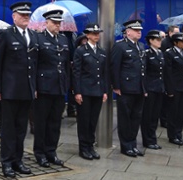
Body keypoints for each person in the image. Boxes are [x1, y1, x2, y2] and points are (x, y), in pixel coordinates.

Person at [0, 1, 38, 178]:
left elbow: (34, 64)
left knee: (21, 128)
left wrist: (34, 87)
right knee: (9, 129)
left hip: (26, 90)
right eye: (22, 15)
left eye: (28, 15)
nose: (26, 17)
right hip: (9, 90)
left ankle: (18, 160)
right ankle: (7, 162)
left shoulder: (32, 35)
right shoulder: (5, 35)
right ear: (14, 16)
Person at [33, 9, 71, 167]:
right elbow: (34, 64)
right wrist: (34, 86)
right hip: (44, 87)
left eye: (59, 23)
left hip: (59, 87)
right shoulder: (39, 38)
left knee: (55, 123)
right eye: (54, 22)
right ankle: (40, 153)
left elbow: (66, 64)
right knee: (41, 123)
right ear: (46, 23)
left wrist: (67, 84)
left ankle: (51, 152)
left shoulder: (63, 39)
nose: (57, 25)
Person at [111, 20, 146, 158]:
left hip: (139, 87)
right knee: (125, 118)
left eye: (140, 30)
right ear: (128, 31)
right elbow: (114, 67)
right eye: (136, 30)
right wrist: (116, 86)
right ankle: (126, 146)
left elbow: (143, 68)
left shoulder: (141, 46)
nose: (139, 32)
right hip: (125, 88)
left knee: (136, 117)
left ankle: (133, 144)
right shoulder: (120, 46)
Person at [73, 23, 108, 160]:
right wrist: (77, 92)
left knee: (93, 121)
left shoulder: (102, 51)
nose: (96, 36)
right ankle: (83, 148)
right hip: (85, 91)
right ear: (87, 35)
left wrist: (105, 91)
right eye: (93, 34)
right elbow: (76, 73)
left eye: (98, 33)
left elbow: (104, 73)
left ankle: (90, 146)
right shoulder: (80, 51)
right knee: (84, 121)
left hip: (98, 91)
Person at [164, 32, 183, 146]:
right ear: (175, 42)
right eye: (182, 42)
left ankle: (179, 134)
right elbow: (168, 73)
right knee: (173, 113)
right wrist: (169, 89)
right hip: (175, 87)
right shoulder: (169, 53)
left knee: (181, 113)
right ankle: (172, 135)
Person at [141, 30, 165, 150]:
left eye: (160, 39)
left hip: (159, 88)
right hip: (150, 88)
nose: (160, 42)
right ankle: (147, 139)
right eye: (157, 40)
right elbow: (144, 73)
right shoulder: (146, 54)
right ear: (151, 41)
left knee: (155, 115)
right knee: (148, 115)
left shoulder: (160, 53)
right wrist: (144, 89)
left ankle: (153, 138)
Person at [159, 25, 179, 128]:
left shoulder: (173, 43)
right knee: (165, 100)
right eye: (175, 32)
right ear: (170, 33)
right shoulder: (165, 43)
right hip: (166, 74)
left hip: (173, 75)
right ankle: (164, 119)